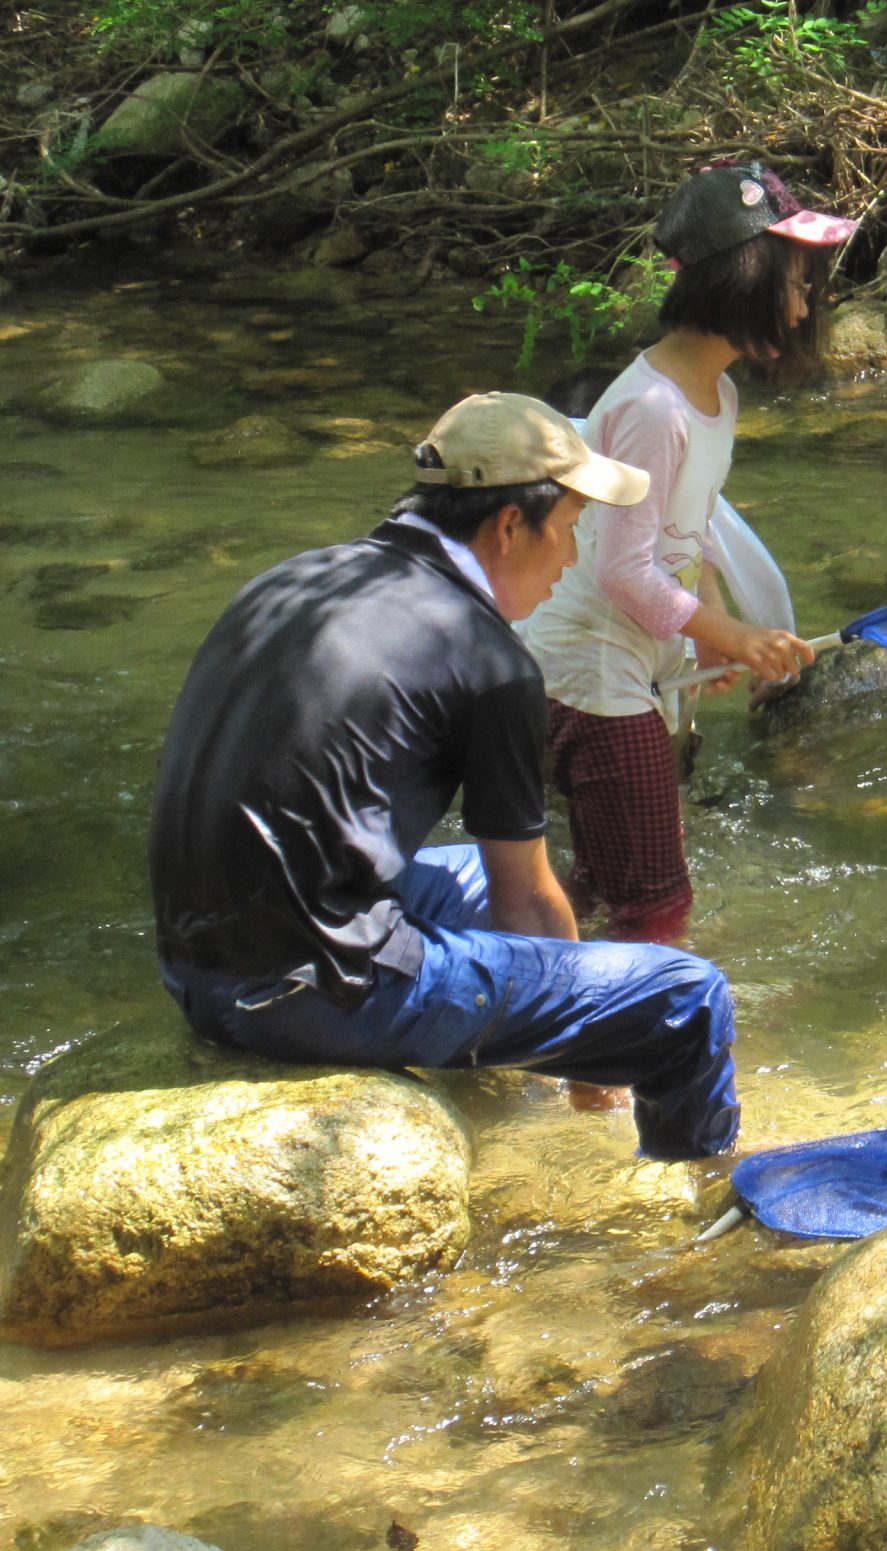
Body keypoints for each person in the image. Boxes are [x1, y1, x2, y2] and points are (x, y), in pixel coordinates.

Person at [151, 392, 741, 1161]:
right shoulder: (491, 662)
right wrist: (597, 1052)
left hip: (194, 971)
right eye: (567, 529)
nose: (571, 559)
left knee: (466, 874)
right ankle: (701, 1210)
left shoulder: (298, 581)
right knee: (687, 998)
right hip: (308, 997)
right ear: (507, 527)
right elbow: (527, 903)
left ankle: (477, 1082)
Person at [522, 160, 845, 941]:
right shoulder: (651, 408)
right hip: (588, 674)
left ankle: (547, 1017)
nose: (804, 306)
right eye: (795, 282)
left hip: (626, 665)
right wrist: (730, 635)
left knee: (606, 883)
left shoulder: (716, 394)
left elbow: (687, 536)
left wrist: (719, 627)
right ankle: (627, 1045)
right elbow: (621, 570)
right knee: (659, 903)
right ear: (744, 279)